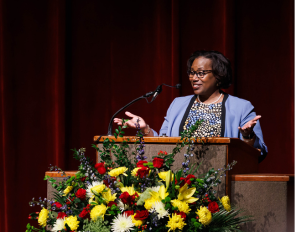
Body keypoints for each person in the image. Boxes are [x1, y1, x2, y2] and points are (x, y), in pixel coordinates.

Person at [114, 50, 267, 160]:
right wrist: (145, 129)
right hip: (181, 182)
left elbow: (257, 153)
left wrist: (248, 136)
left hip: (221, 181)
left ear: (219, 76)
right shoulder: (178, 104)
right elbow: (163, 143)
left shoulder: (241, 107)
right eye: (191, 73)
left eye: (201, 73)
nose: (194, 78)